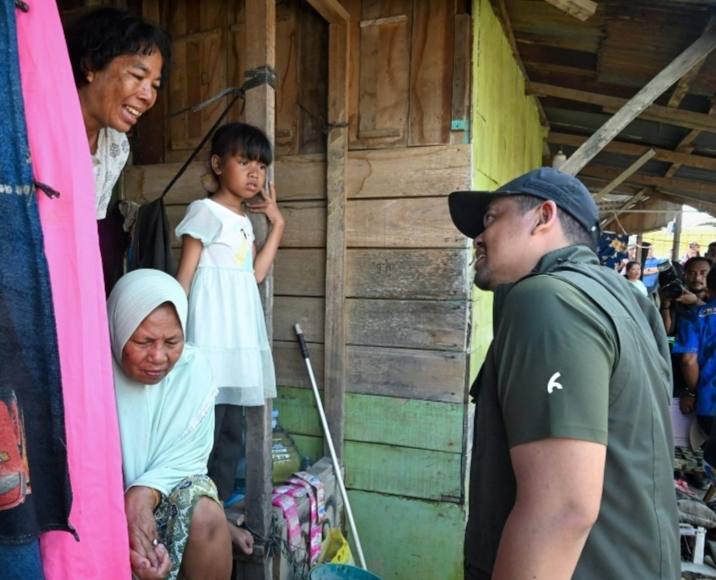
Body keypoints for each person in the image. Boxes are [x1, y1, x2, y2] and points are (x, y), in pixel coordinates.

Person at [448, 167, 678, 580]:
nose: (478, 238)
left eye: (491, 219)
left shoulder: (548, 299)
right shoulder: (626, 300)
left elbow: (561, 510)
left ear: (544, 216)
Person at [175, 122, 283, 546]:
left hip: (237, 338)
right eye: (244, 162)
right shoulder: (204, 212)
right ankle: (191, 516)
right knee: (205, 428)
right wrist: (174, 333)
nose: (255, 173)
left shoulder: (244, 220)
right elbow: (184, 278)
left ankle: (215, 515)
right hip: (209, 335)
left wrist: (277, 224)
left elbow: (254, 275)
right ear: (219, 165)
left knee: (232, 434)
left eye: (261, 166)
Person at [107, 269, 232, 580]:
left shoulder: (193, 370)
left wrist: (142, 495)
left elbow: (189, 458)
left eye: (172, 341)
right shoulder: (91, 372)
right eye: (143, 341)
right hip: (101, 504)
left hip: (160, 496)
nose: (159, 356)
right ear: (117, 331)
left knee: (205, 511)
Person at [66, 7, 170, 220]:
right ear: (90, 66)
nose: (148, 96)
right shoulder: (36, 127)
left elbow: (89, 224)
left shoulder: (116, 146)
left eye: (155, 85)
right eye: (137, 76)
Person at [673, 265, 716, 433]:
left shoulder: (695, 316)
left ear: (709, 288)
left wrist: (691, 393)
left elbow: (688, 360)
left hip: (709, 405)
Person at [660, 256, 711, 337]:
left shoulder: (713, 299)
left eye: (703, 273)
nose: (697, 278)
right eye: (692, 273)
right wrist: (665, 305)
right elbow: (666, 332)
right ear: (685, 275)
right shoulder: (677, 296)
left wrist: (696, 302)